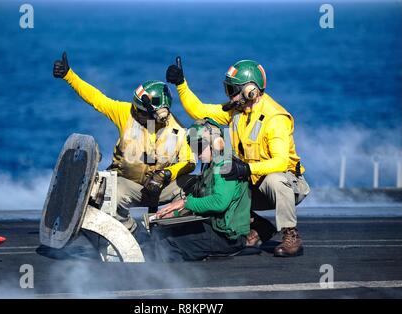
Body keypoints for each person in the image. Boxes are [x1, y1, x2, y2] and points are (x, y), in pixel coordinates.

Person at [166, 57, 310, 257]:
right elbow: (199, 111)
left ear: (251, 91)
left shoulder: (275, 118)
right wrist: (181, 85)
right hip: (253, 180)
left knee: (275, 180)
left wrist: (246, 169)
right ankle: (260, 227)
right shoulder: (237, 112)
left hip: (286, 183)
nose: (229, 95)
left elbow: (281, 162)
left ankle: (290, 234)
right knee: (221, 183)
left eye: (232, 90)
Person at [53, 52, 196, 233]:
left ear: (161, 113)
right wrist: (69, 76)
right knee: (110, 193)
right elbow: (98, 99)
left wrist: (167, 174)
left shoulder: (178, 131)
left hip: (160, 190)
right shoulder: (126, 113)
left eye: (141, 111)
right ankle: (130, 231)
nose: (135, 113)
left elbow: (189, 162)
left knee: (196, 187)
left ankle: (166, 231)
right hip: (128, 187)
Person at [149, 118, 257, 262]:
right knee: (160, 233)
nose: (197, 153)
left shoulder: (226, 165)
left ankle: (174, 281)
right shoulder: (210, 164)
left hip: (227, 237)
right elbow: (202, 199)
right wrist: (172, 214)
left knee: (167, 244)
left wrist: (185, 203)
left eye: (200, 146)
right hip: (213, 226)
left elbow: (220, 203)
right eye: (193, 147)